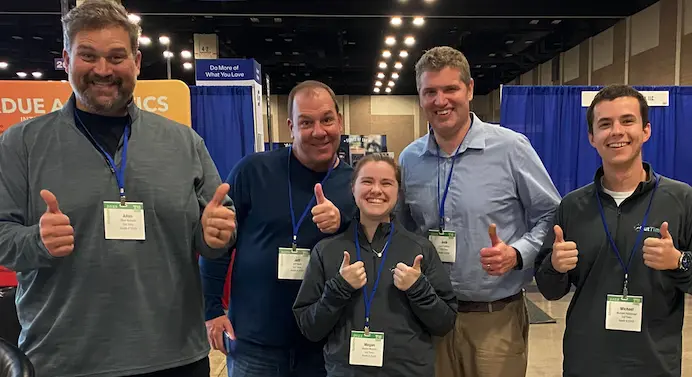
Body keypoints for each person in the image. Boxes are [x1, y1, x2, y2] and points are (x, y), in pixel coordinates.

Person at [0, 1, 237, 376]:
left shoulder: (183, 142)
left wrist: (215, 235)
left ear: (137, 62)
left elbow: (212, 233)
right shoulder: (22, 144)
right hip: (65, 360)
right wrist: (37, 243)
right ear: (66, 59)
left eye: (116, 57)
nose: (103, 70)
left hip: (176, 358)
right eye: (88, 56)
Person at [397, 46, 561, 377]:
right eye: (430, 92)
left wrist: (517, 253)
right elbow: (404, 231)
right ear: (420, 96)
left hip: (494, 319)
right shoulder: (410, 159)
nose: (440, 100)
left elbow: (552, 215)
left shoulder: (511, 148)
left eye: (450, 89)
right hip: (430, 315)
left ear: (469, 89)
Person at [199, 80, 357, 377]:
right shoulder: (253, 171)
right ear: (290, 127)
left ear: (340, 120)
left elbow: (374, 252)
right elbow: (218, 244)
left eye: (326, 119)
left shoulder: (357, 185)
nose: (319, 132)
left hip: (326, 347)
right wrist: (211, 312)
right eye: (306, 122)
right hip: (255, 346)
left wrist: (344, 224)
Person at [534, 84, 692, 377]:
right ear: (592, 137)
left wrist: (679, 262)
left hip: (654, 364)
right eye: (605, 124)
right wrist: (555, 267)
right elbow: (549, 289)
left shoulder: (682, 199)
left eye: (627, 121)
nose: (616, 131)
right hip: (586, 363)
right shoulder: (573, 206)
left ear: (646, 130)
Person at [293, 154, 457, 376]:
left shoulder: (420, 249)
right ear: (353, 188)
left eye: (386, 183)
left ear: (398, 193)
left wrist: (419, 289)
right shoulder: (327, 251)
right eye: (367, 181)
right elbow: (309, 328)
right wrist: (338, 288)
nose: (376, 190)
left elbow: (444, 323)